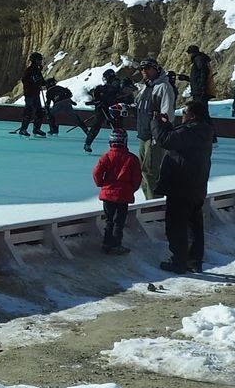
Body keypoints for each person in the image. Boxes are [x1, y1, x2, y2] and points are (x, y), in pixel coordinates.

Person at [157, 101, 216, 273]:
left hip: (181, 185)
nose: (182, 114)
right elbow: (176, 138)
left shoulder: (191, 131)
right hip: (197, 185)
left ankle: (179, 262)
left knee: (177, 225)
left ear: (192, 115)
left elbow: (165, 140)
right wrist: (167, 125)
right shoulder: (204, 130)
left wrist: (156, 124)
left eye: (184, 111)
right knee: (194, 225)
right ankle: (194, 261)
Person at [133, 57, 178, 199]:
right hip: (143, 135)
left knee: (151, 172)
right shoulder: (147, 86)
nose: (143, 71)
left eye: (147, 68)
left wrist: (158, 133)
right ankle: (149, 202)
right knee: (143, 172)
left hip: (154, 137)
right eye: (141, 69)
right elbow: (139, 107)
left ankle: (154, 207)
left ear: (155, 68)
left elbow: (168, 115)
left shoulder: (163, 87)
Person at [92, 128, 141, 255]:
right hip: (123, 195)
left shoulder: (106, 157)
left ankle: (106, 243)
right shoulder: (132, 159)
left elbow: (97, 173)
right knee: (119, 222)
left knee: (109, 220)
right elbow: (137, 178)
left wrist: (101, 184)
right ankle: (116, 244)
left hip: (108, 195)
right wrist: (131, 189)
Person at [80, 68, 125, 152]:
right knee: (97, 126)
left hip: (114, 108)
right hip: (103, 107)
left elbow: (112, 92)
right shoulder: (110, 85)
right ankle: (88, 144)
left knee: (116, 127)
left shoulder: (116, 83)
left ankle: (120, 145)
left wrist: (102, 92)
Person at [14, 52, 46, 136]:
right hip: (30, 94)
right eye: (39, 60)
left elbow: (42, 82)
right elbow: (25, 80)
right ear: (35, 60)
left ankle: (36, 129)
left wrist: (44, 82)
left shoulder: (37, 70)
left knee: (39, 111)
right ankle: (23, 129)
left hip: (36, 94)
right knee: (28, 111)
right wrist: (34, 81)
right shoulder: (29, 70)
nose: (40, 61)